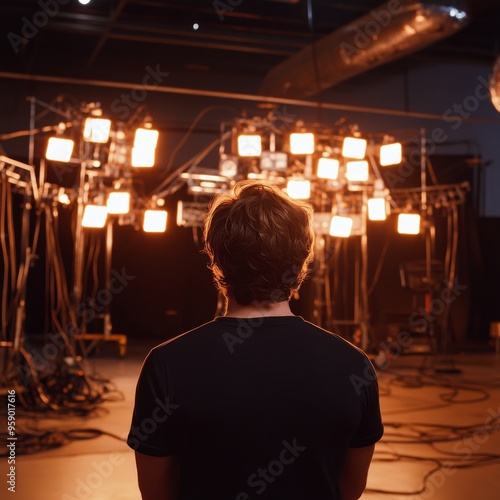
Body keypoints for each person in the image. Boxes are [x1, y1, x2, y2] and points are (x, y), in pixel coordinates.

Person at [127, 180, 383, 500]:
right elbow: (349, 489)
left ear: (215, 258)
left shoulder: (166, 364)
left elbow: (156, 493)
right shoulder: (354, 365)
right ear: (303, 261)